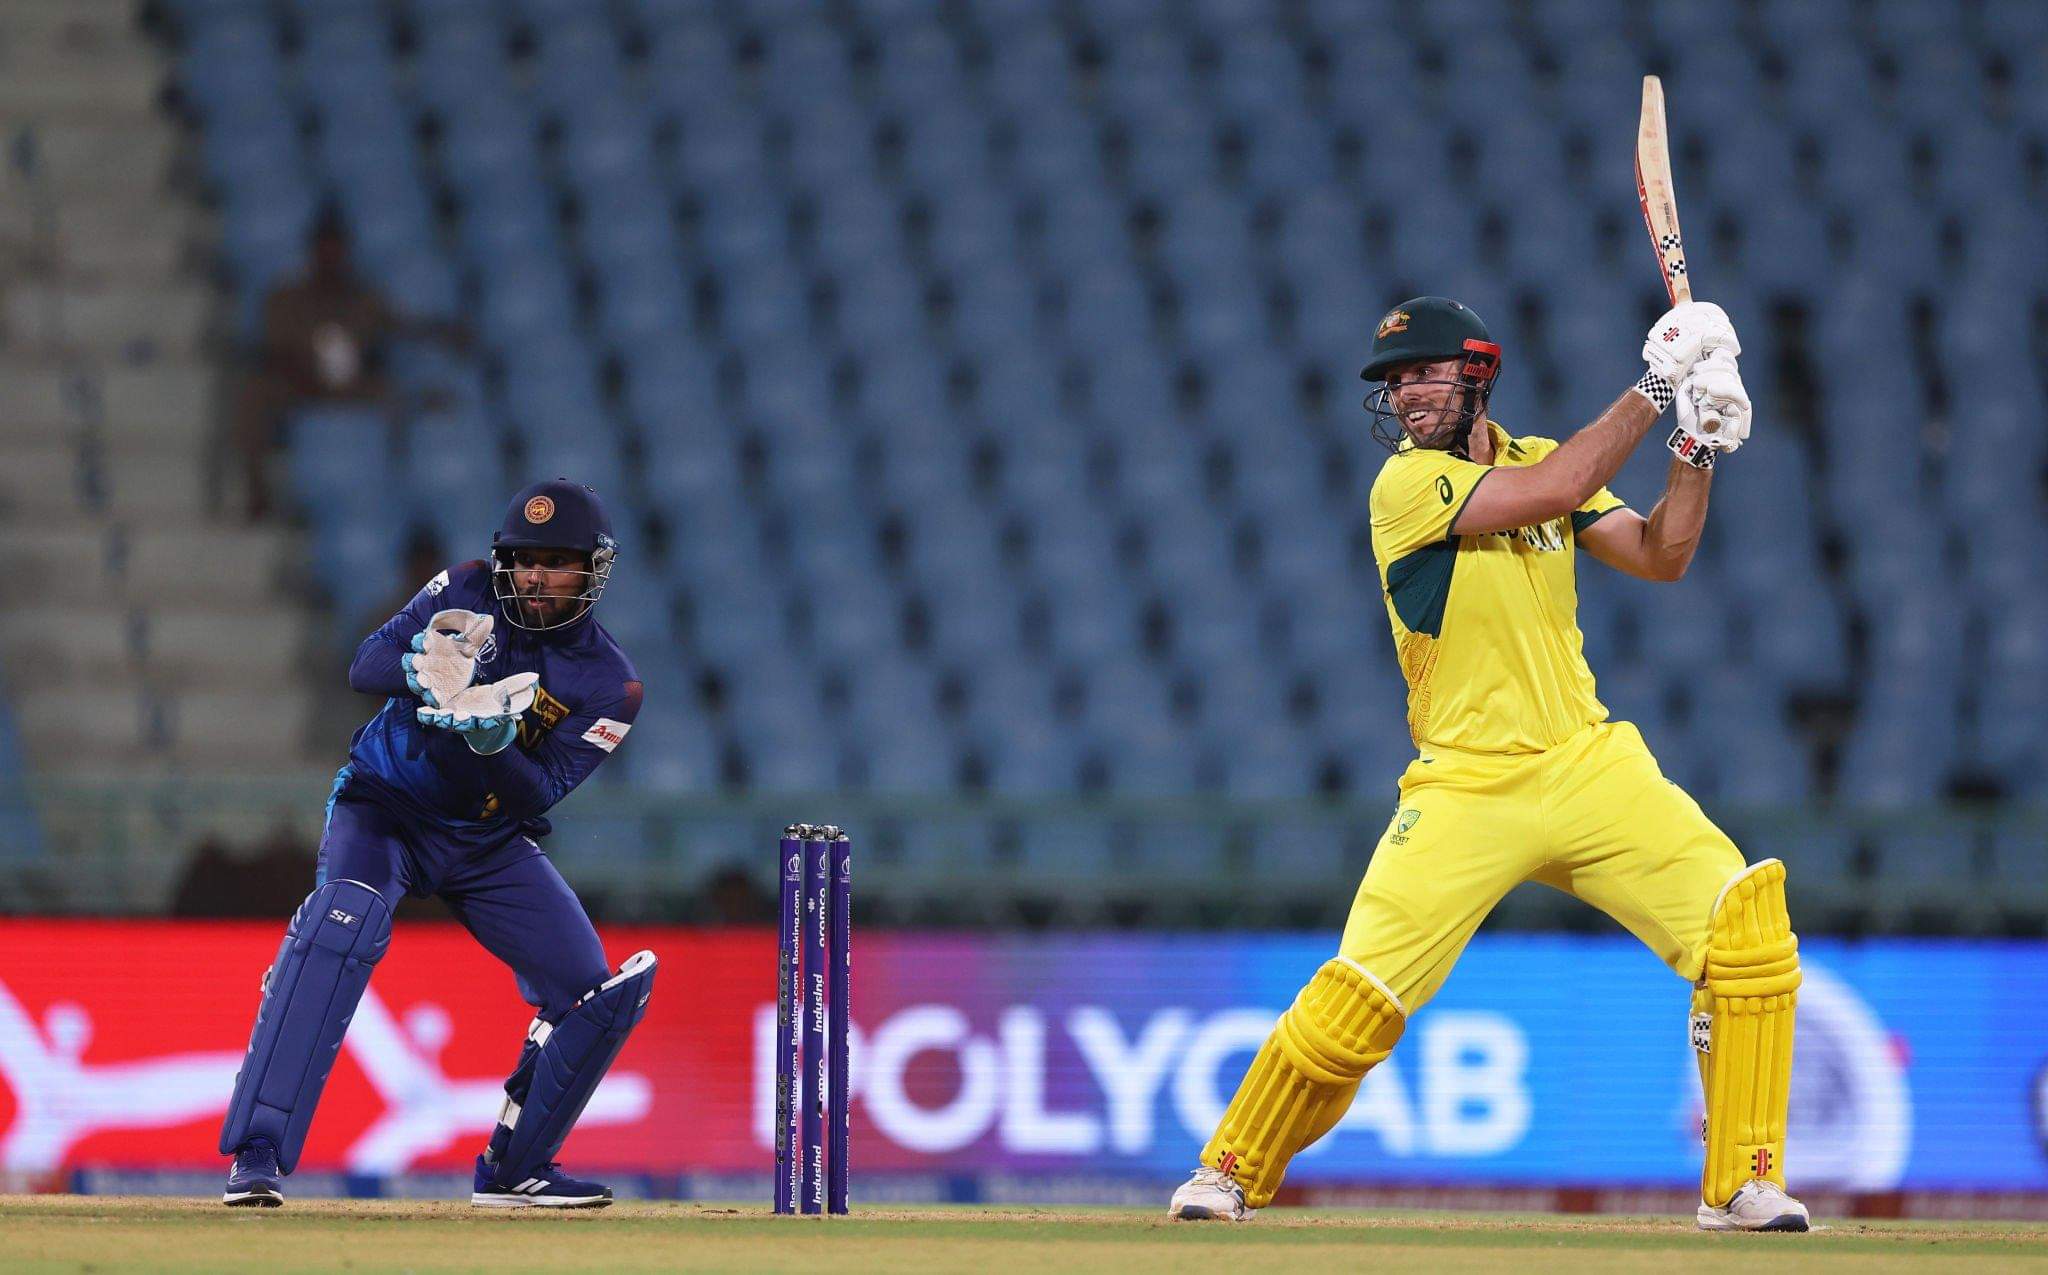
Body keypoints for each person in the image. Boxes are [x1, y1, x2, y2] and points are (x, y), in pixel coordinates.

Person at [1169, 297, 1806, 1232]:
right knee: (1357, 1002)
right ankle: (1229, 1169)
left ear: (1476, 374)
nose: (1407, 395)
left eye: (1424, 374)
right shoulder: (1407, 485)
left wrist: (1696, 445)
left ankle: (1741, 1183)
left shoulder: (1535, 454)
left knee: (1747, 933)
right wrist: (1657, 384)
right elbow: (1556, 488)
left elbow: (1660, 553)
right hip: (1465, 779)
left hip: (1587, 762)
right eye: (1395, 383)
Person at [219, 479, 650, 1210]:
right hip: (385, 806)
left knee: (588, 990)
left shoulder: (613, 686)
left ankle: (516, 1169)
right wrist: (424, 669)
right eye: (525, 560)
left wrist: (491, 740)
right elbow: (365, 665)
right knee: (341, 925)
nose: (536, 576)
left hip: (486, 840)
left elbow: (539, 793)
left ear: (593, 570)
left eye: (557, 562)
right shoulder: (468, 588)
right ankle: (256, 1154)